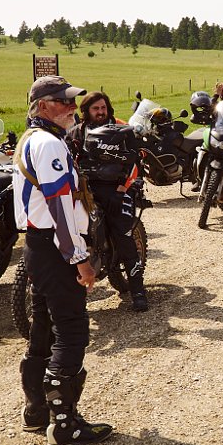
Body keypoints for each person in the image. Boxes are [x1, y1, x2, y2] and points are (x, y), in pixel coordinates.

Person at [13, 75, 113, 445]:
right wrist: (80, 258)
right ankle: (65, 425)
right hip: (55, 247)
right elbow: (58, 206)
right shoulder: (49, 144)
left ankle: (37, 410)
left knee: (44, 328)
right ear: (42, 107)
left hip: (38, 246)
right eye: (63, 102)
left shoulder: (33, 139)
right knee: (71, 331)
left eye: (73, 101)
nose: (72, 107)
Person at [68, 91, 148, 312]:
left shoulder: (122, 130)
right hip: (85, 190)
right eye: (96, 109)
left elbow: (135, 162)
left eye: (103, 108)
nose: (100, 112)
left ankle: (138, 291)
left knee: (122, 234)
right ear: (86, 112)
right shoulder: (76, 133)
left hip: (118, 189)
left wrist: (121, 190)